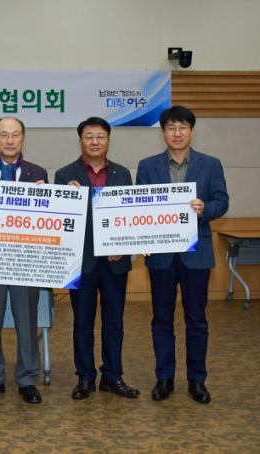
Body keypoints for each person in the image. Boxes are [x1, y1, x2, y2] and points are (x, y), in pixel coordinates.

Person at [136, 106, 228, 404]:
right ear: (163, 133)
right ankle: (164, 378)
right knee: (161, 318)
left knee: (197, 319)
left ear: (192, 132)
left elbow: (222, 201)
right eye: (171, 128)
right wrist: (141, 236)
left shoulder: (210, 164)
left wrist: (205, 209)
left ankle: (197, 380)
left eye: (183, 127)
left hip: (196, 254)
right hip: (161, 255)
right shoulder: (147, 166)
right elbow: (139, 208)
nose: (177, 133)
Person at [55, 117, 139, 400]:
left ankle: (113, 377)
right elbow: (61, 221)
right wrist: (68, 198)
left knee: (114, 322)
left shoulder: (122, 173)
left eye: (100, 137)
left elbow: (130, 215)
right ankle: (85, 377)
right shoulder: (65, 175)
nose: (94, 142)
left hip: (115, 261)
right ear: (80, 140)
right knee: (82, 323)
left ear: (108, 140)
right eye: (89, 136)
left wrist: (123, 245)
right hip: (82, 262)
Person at [0, 117, 46, 405]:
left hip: (25, 263)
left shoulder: (38, 173)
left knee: (26, 324)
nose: (10, 140)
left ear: (23, 138)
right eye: (4, 135)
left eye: (15, 135)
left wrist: (46, 198)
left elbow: (47, 220)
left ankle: (27, 379)